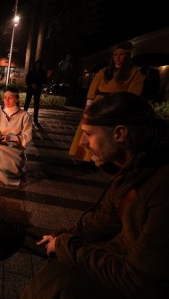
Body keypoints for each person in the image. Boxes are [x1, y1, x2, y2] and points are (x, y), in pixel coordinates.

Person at [20, 92, 169, 299]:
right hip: (130, 259)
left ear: (120, 134)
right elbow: (104, 220)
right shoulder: (132, 169)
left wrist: (67, 245)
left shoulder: (161, 188)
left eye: (88, 134)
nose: (81, 142)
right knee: (57, 272)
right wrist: (61, 235)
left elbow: (141, 281)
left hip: (145, 281)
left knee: (61, 281)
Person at [69, 42, 145, 162]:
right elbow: (93, 88)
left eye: (121, 55)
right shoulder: (104, 71)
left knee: (105, 135)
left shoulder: (135, 74)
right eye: (115, 55)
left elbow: (131, 96)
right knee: (90, 131)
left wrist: (122, 111)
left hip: (115, 106)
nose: (118, 58)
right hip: (98, 104)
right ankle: (85, 158)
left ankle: (101, 160)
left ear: (128, 56)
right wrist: (88, 106)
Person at [23, 60, 47, 126]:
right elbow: (27, 79)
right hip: (30, 89)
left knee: (36, 105)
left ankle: (35, 120)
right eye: (37, 65)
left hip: (37, 90)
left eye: (39, 65)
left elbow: (44, 80)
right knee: (26, 104)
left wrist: (37, 85)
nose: (37, 66)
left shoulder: (42, 73)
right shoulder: (31, 72)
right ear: (35, 65)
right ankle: (23, 118)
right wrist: (31, 84)